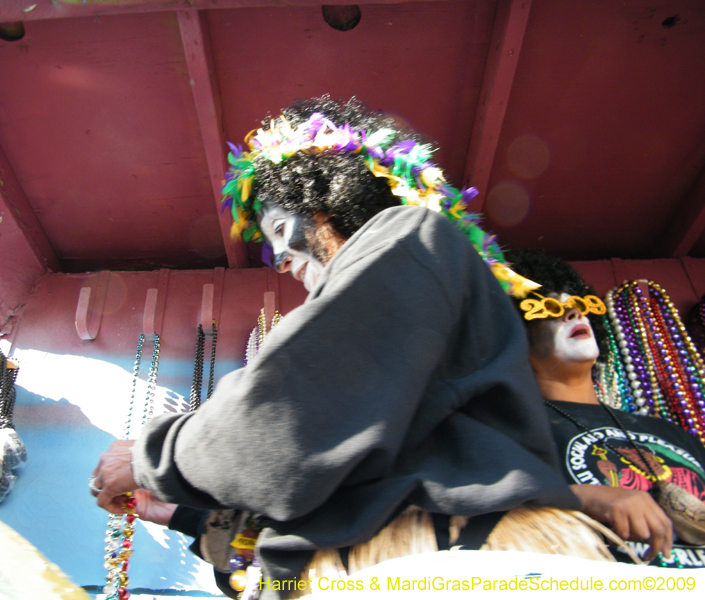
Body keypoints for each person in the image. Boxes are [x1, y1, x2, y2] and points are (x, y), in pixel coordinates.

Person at [92, 97, 598, 598]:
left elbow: (288, 420)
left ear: (326, 206)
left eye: (281, 232)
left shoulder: (410, 235)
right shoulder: (409, 313)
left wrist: (153, 456)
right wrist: (181, 508)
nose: (284, 261)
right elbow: (318, 484)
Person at [510, 249, 705, 567]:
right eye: (549, 307)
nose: (574, 313)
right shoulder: (511, 427)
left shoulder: (668, 432)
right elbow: (476, 506)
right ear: (514, 333)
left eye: (581, 304)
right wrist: (581, 497)